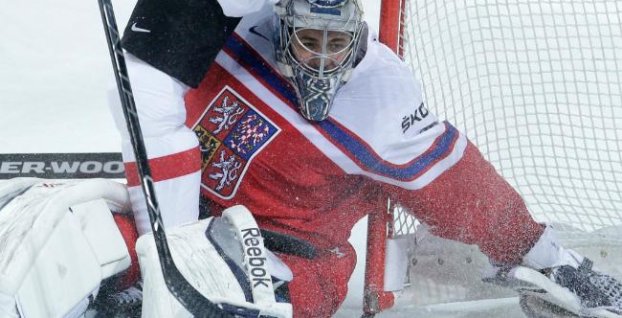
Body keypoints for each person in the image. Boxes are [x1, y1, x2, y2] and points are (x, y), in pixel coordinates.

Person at [106, 0, 622, 316]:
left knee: (225, 301)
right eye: (309, 41)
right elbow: (151, 90)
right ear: (283, 31)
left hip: (286, 259)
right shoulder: (236, 26)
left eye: (337, 43)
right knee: (80, 251)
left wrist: (545, 256)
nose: (323, 59)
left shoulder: (381, 99)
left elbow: (466, 196)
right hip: (183, 222)